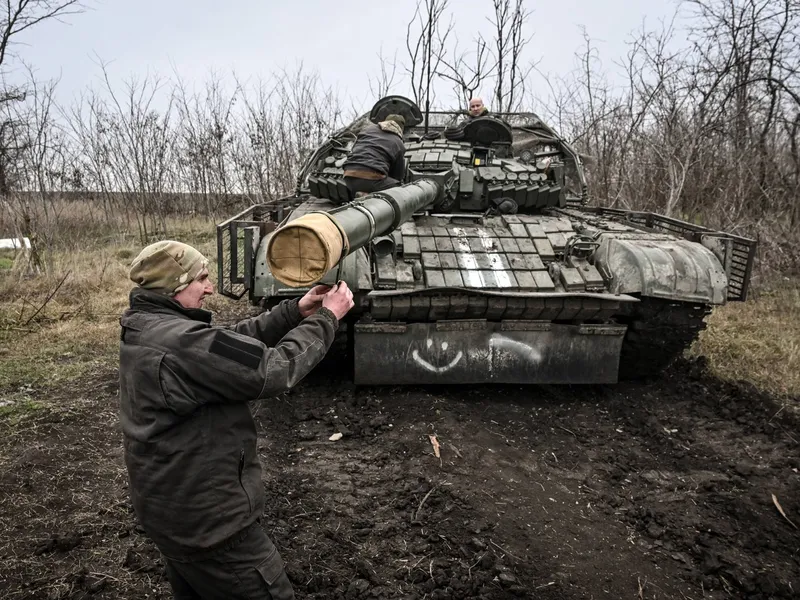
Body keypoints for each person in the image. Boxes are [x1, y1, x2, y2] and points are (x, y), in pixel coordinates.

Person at [118, 240, 354, 600]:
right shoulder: (181, 341)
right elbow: (273, 370)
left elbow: (226, 347)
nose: (211, 287)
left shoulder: (149, 326)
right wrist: (327, 318)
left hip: (171, 512)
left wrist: (295, 311)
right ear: (177, 286)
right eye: (202, 278)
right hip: (212, 527)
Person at [342, 113, 406, 198]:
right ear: (401, 128)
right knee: (400, 190)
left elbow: (354, 150)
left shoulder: (367, 130)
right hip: (371, 179)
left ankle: (363, 195)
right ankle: (368, 196)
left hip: (348, 175)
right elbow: (397, 175)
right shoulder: (398, 142)